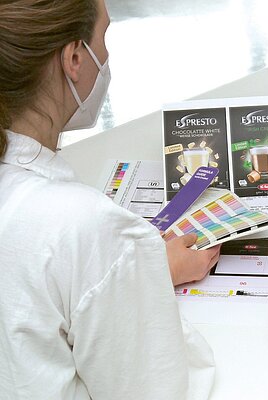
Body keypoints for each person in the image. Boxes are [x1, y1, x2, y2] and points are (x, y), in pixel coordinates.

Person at [0, 1, 220, 398]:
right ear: (73, 58)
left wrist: (139, 273)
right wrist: (135, 276)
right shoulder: (85, 224)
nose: (106, 54)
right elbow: (155, 387)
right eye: (103, 37)